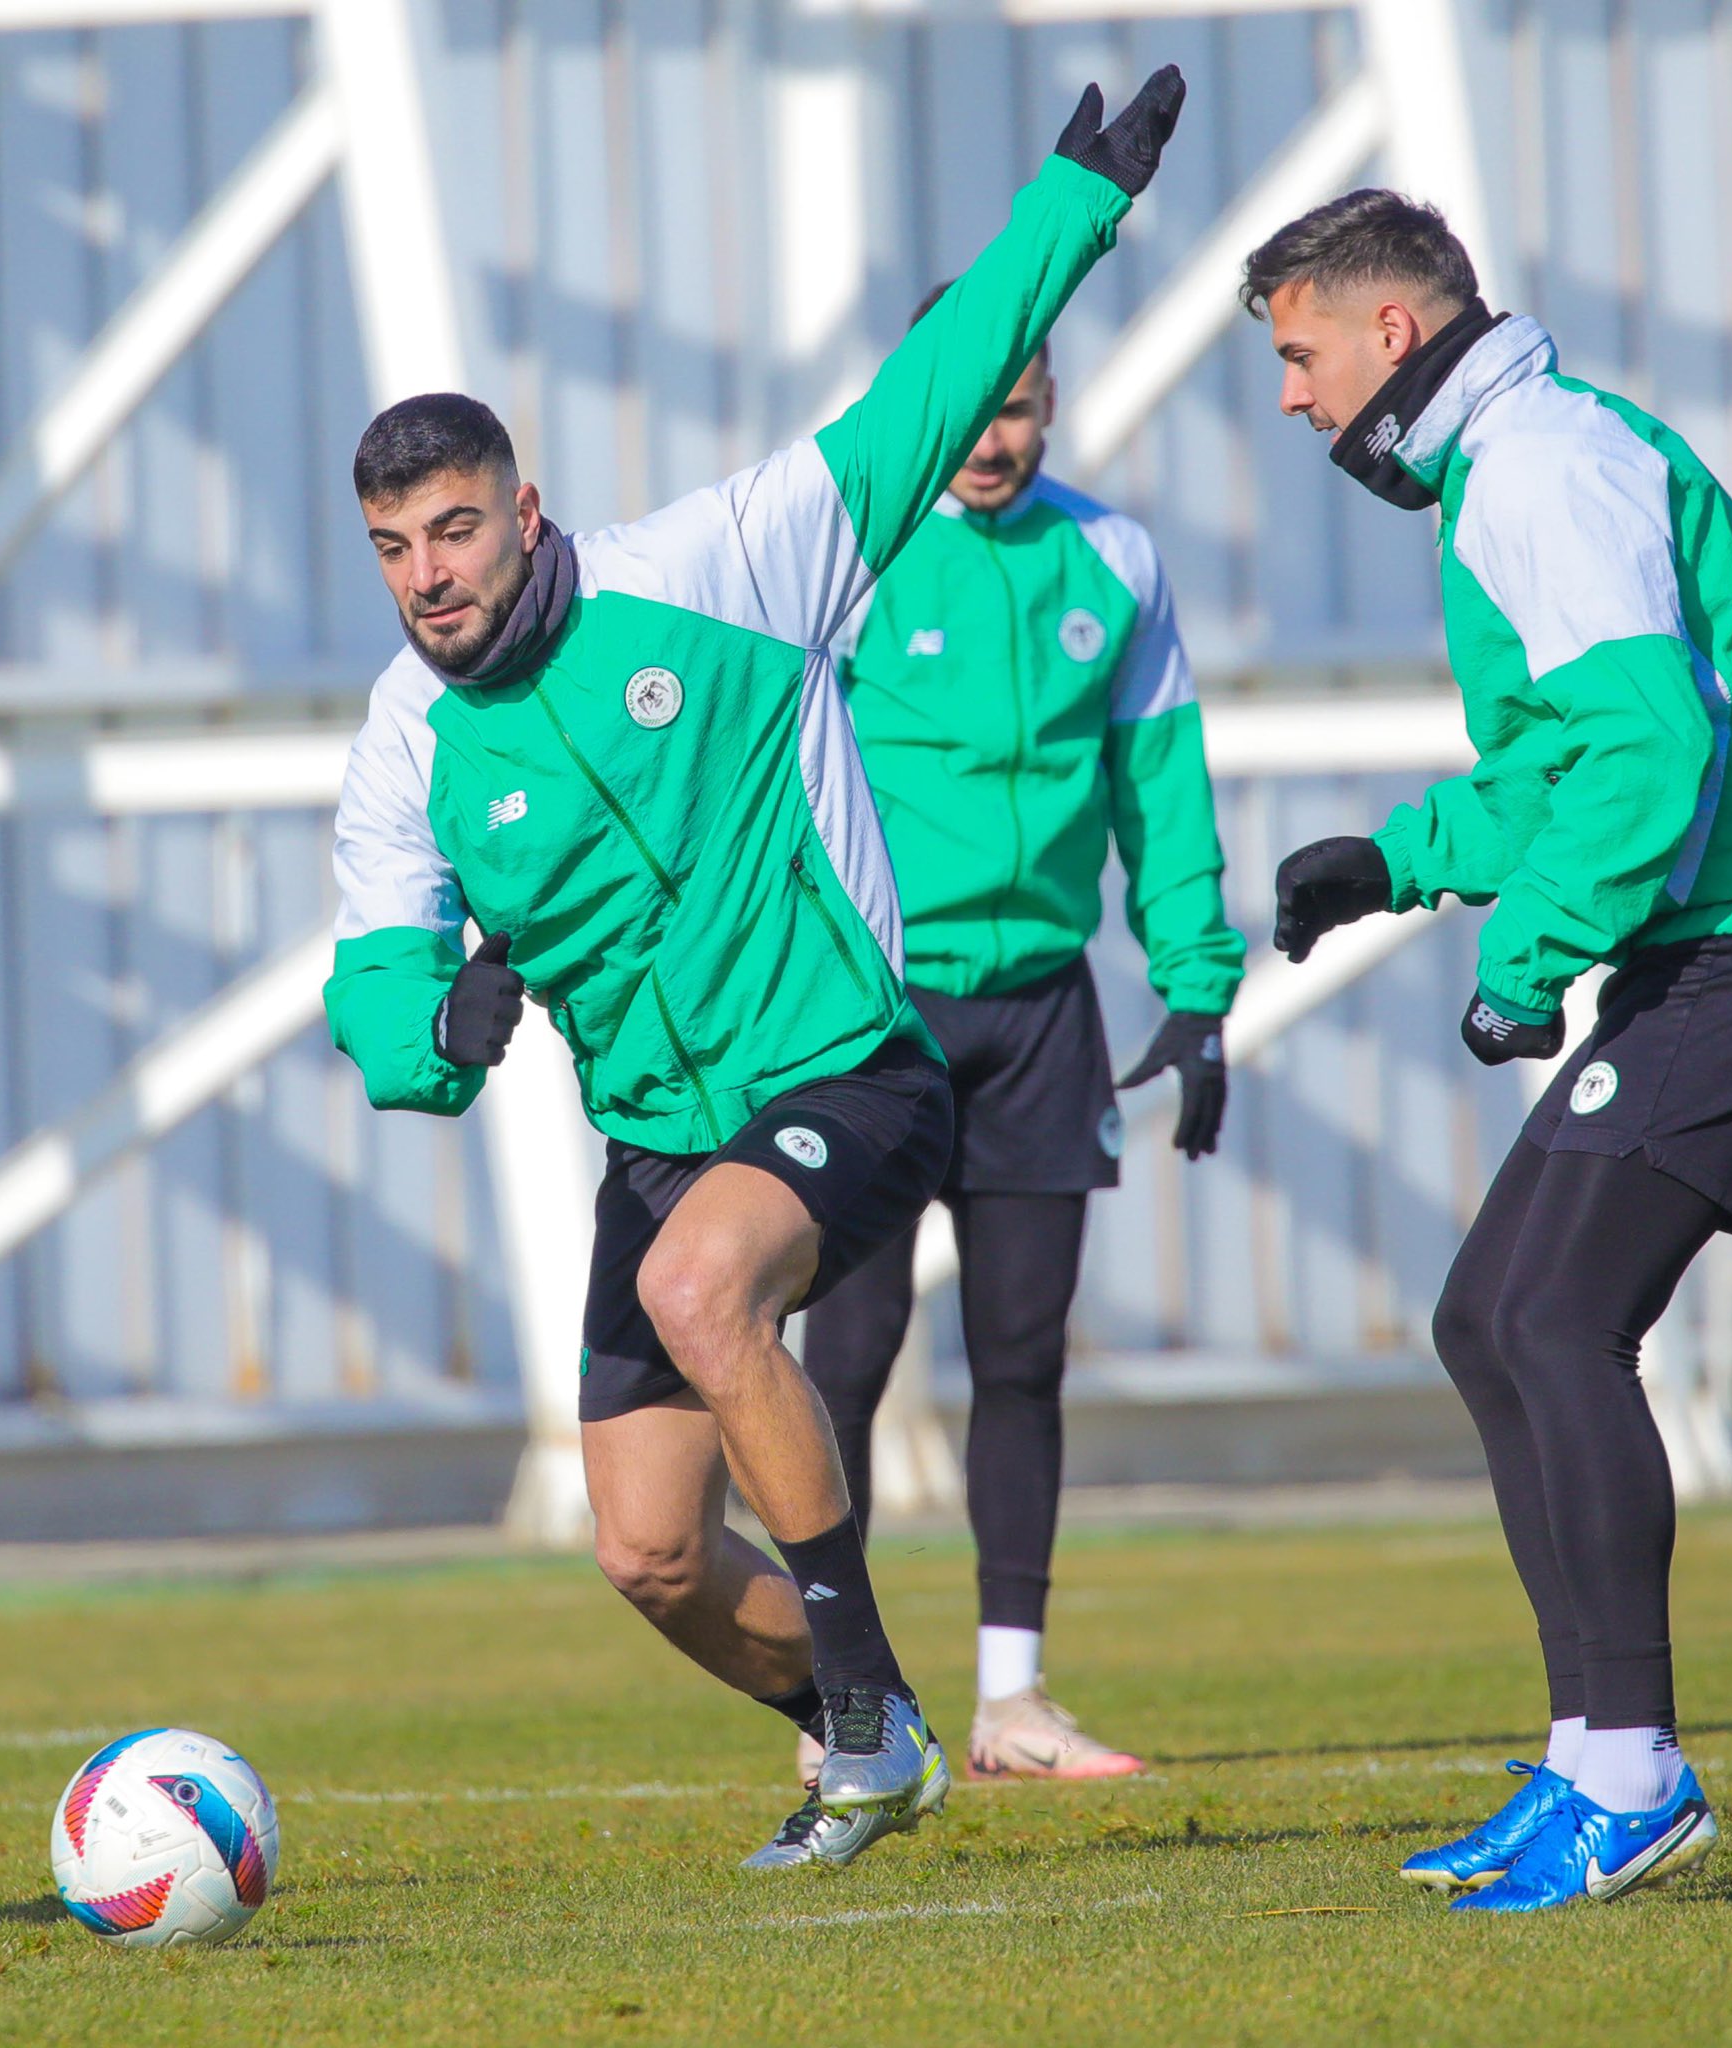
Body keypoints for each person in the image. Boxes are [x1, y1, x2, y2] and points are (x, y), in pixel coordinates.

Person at [321, 67, 1188, 1872]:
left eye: (455, 529)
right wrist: (432, 1030)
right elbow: (378, 970)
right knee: (646, 1549)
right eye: (395, 549)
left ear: (527, 509)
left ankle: (862, 1724)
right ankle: (876, 1725)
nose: (428, 576)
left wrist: (1070, 212)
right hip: (657, 1141)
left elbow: (925, 397)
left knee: (710, 1289)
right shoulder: (406, 737)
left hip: (848, 1068)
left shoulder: (725, 564)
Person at [1245, 189, 1732, 1912]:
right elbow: (1564, 760)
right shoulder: (1508, 464)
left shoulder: (1538, 464)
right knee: (1489, 1317)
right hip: (1725, 933)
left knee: (1555, 1320)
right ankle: (1582, 1757)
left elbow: (1650, 747)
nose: (1295, 398)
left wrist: (1521, 962)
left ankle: (1634, 1774)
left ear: (1392, 331)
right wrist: (1394, 860)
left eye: (1301, 356)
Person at [798, 291, 1244, 1784]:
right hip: (880, 1013)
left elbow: (1160, 784)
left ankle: (1012, 1703)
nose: (992, 439)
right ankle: (841, 1701)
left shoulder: (1113, 560)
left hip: (1045, 1010)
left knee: (1021, 1356)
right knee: (848, 1354)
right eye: (973, 406)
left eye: (1019, 405)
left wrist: (1196, 984)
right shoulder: (848, 557)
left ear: (1050, 403)